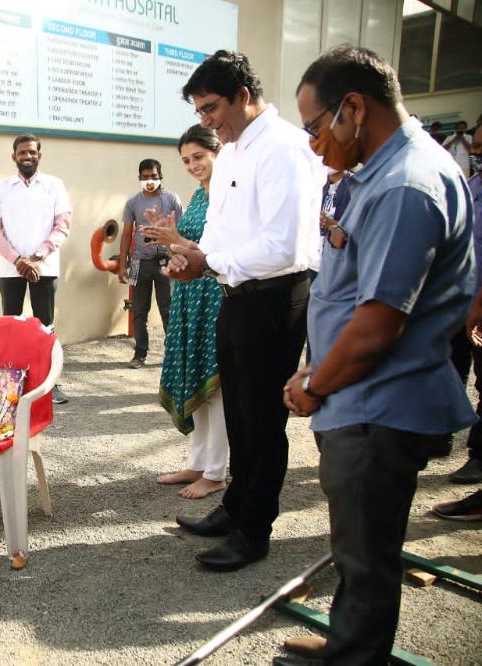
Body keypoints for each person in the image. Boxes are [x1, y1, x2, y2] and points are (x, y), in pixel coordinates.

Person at [282, 46, 475, 665]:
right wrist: (319, 366)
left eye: (316, 126)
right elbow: (351, 296)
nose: (314, 144)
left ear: (354, 108)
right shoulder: (385, 174)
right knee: (358, 544)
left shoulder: (405, 186)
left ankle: (356, 656)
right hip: (360, 392)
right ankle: (350, 640)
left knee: (366, 550)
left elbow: (376, 327)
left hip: (378, 403)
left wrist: (315, 385)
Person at [161, 50, 324, 572]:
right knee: (238, 412)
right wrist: (193, 257)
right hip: (234, 296)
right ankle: (234, 507)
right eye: (200, 111)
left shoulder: (283, 148)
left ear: (244, 96)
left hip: (275, 298)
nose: (206, 121)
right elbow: (219, 231)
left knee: (262, 420)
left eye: (211, 107)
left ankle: (255, 530)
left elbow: (282, 246)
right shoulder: (231, 151)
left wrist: (209, 261)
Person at [143, 125, 228, 499]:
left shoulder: (228, 195)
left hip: (214, 294)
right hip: (189, 294)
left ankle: (216, 471)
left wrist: (175, 239)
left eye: (199, 157)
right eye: (186, 160)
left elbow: (217, 252)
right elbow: (189, 249)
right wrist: (170, 245)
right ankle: (198, 462)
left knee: (216, 383)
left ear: (217, 152)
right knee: (194, 376)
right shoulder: (197, 195)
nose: (193, 165)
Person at [0, 134, 72, 404]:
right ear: (14, 156)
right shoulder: (3, 188)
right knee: (10, 326)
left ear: (39, 156)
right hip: (11, 268)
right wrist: (18, 260)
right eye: (22, 152)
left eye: (32, 152)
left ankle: (49, 383)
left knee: (45, 327)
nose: (28, 156)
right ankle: (10, 384)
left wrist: (36, 257)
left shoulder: (54, 185)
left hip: (44, 267)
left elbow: (63, 225)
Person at [116, 159, 181, 368]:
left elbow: (181, 230)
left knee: (168, 309)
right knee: (138, 310)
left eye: (153, 176)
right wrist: (122, 264)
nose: (149, 181)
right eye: (145, 177)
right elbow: (126, 234)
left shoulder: (172, 199)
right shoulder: (133, 202)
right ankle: (139, 354)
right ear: (139, 178)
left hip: (166, 261)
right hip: (138, 263)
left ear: (160, 177)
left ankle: (172, 355)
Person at [444, 123, 482, 487]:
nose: (476, 153)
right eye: (476, 146)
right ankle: (441, 434)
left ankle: (479, 456)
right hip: (461, 298)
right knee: (453, 365)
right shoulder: (471, 187)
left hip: (479, 305)